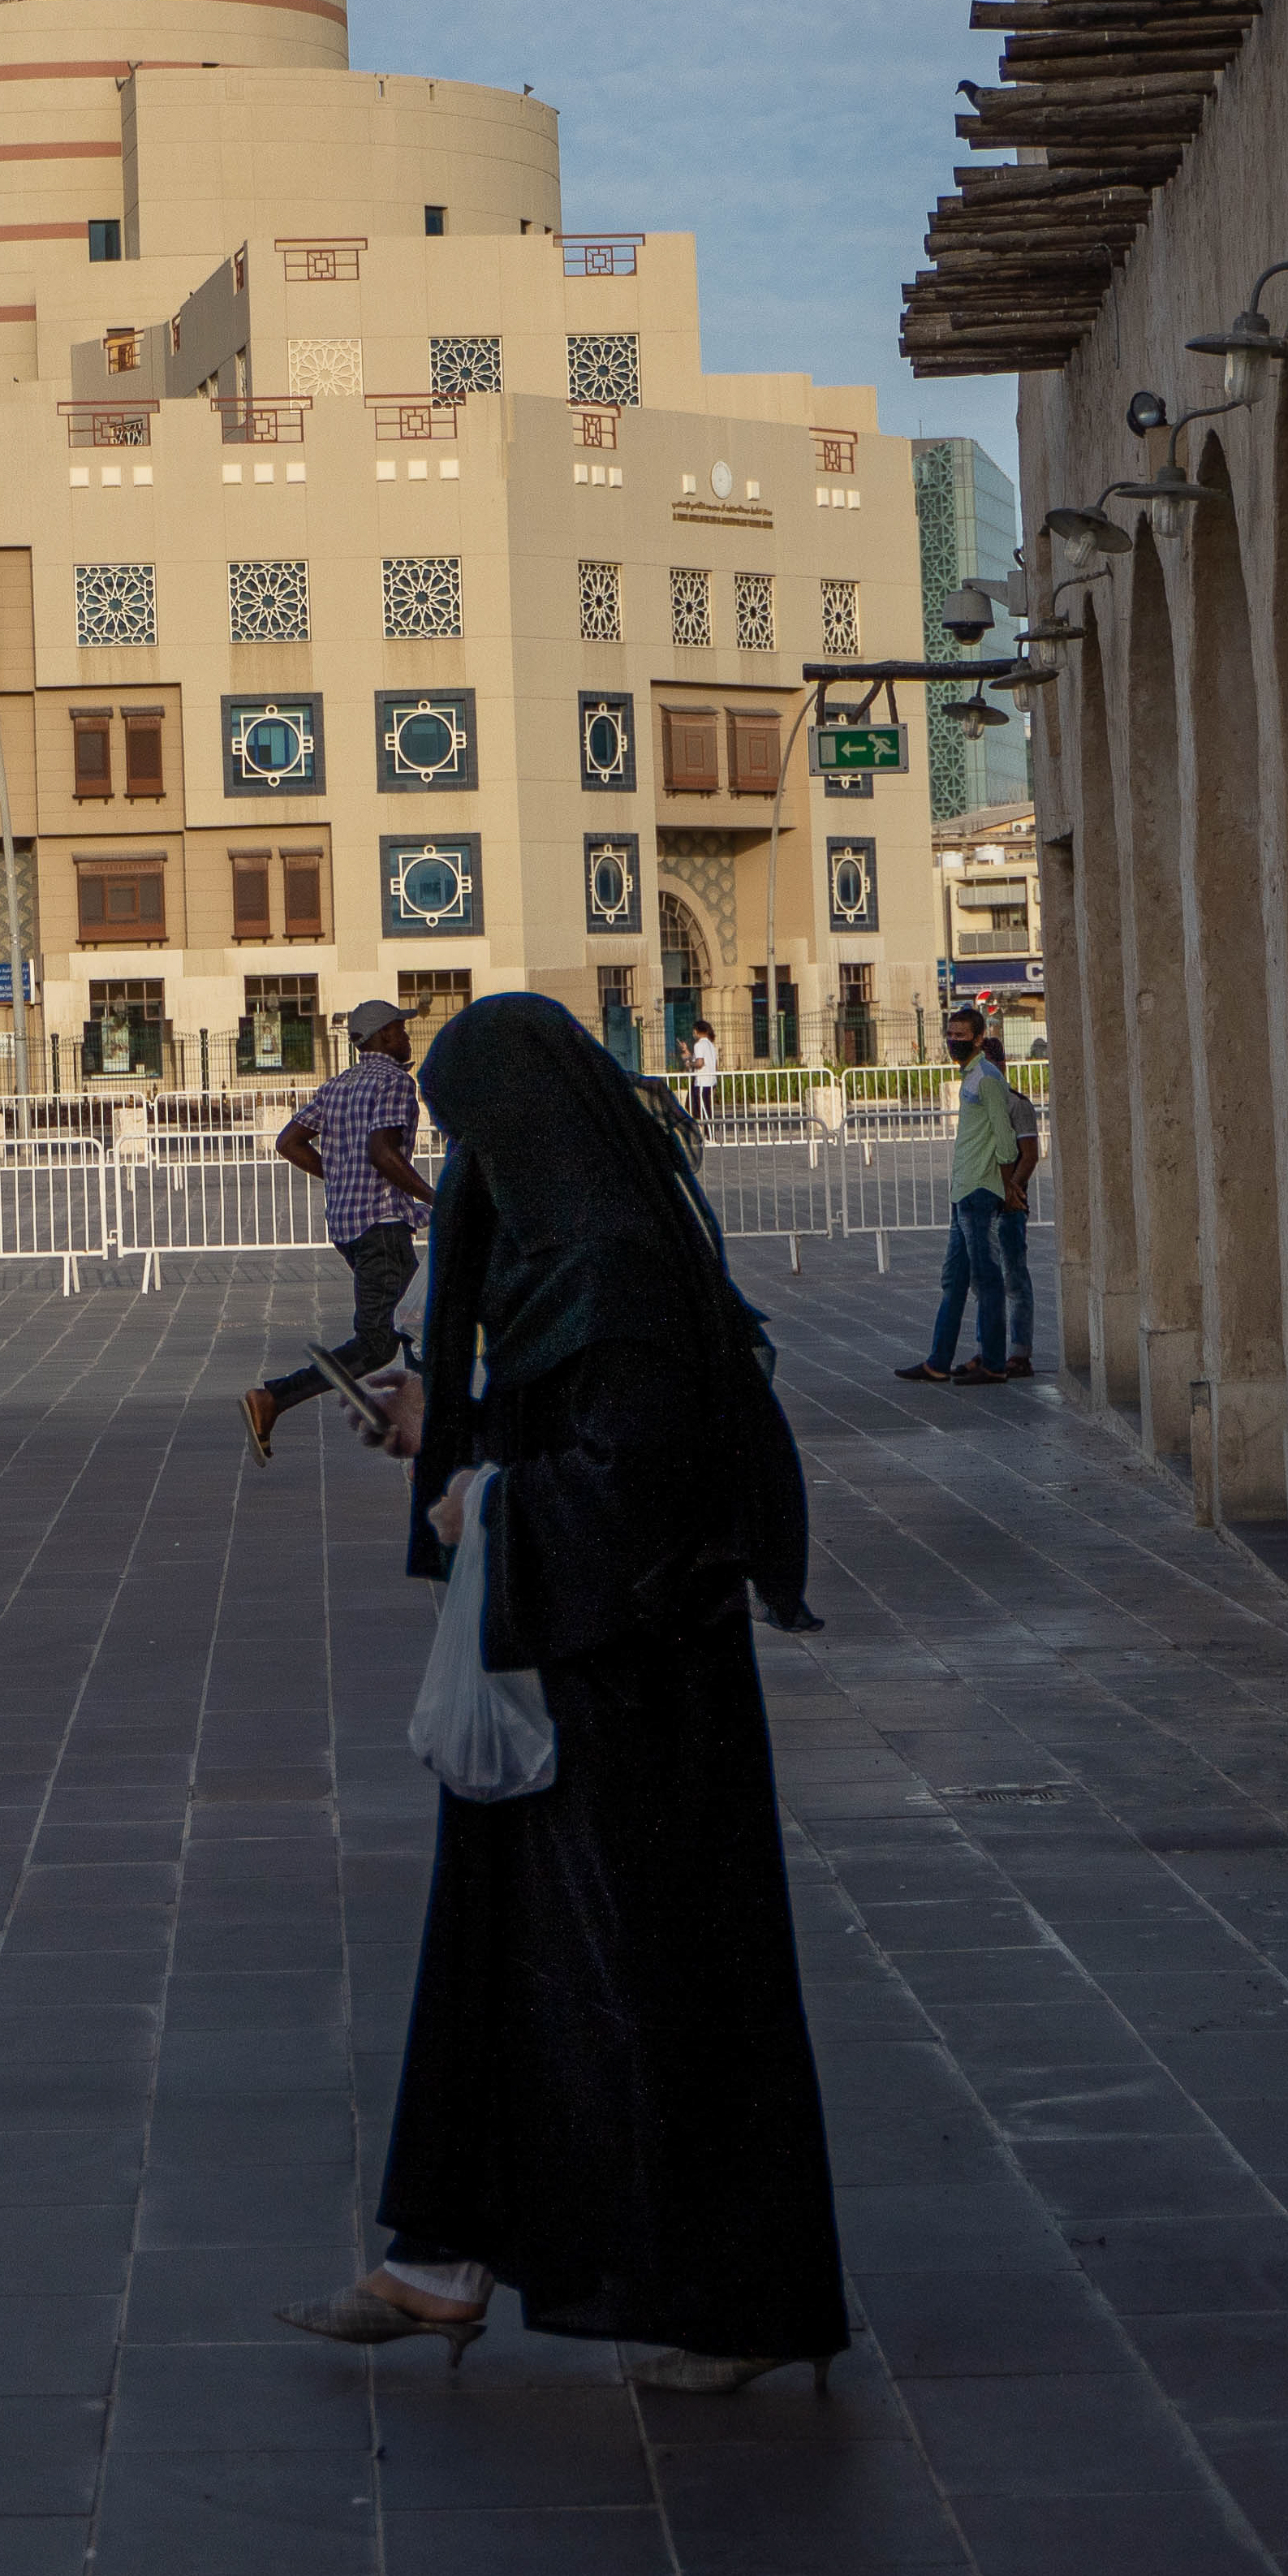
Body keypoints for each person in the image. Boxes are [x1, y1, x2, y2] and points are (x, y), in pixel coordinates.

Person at [281, 989, 855, 2394]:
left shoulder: (617, 1265)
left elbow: (637, 1481)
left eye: (471, 1136)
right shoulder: (579, 1251)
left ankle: (735, 2301)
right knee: (500, 1965)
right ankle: (442, 2257)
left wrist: (487, 1501)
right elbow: (567, 1416)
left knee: (659, 1987)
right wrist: (448, 1423)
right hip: (572, 1676)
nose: (461, 1166)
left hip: (645, 1702)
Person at [242, 997, 430, 1462]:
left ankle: (425, 1415)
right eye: (401, 1029)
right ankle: (274, 1398)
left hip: (349, 1229)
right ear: (383, 1035)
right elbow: (384, 1153)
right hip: (382, 1226)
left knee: (410, 1325)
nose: (407, 1037)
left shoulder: (337, 1086)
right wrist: (436, 1198)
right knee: (387, 1338)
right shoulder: (395, 1082)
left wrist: (341, 1175)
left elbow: (290, 1142)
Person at [911, 1005, 1041, 1383]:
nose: (954, 1041)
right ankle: (938, 1361)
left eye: (962, 1035)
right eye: (951, 1034)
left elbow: (1007, 1143)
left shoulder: (987, 1079)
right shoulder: (970, 1078)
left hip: (981, 1192)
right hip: (964, 1189)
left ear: (979, 1039)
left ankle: (995, 1363)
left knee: (989, 1279)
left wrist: (1009, 1187)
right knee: (954, 1280)